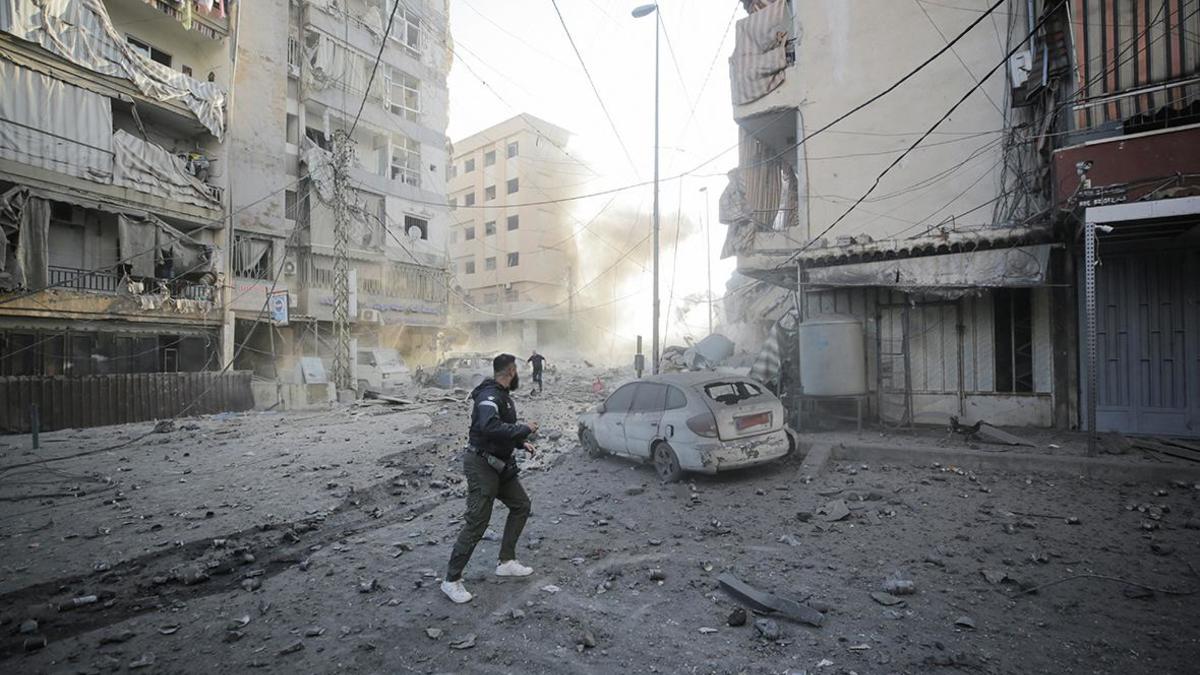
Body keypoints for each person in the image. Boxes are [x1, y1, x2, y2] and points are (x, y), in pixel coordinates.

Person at [441, 353, 538, 604]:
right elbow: (488, 426)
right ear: (511, 371)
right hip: (482, 465)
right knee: (477, 522)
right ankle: (451, 580)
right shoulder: (489, 396)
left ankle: (506, 562)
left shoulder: (502, 395)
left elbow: (500, 429)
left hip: (500, 465)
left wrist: (520, 442)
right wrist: (524, 428)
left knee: (521, 505)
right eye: (516, 371)